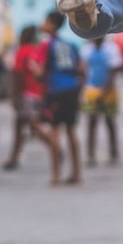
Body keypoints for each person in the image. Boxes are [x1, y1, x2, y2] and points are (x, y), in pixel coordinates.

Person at [39, 10, 83, 185]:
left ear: (52, 24)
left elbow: (40, 72)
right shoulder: (71, 45)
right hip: (72, 88)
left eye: (46, 21)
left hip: (56, 90)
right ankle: (76, 174)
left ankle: (56, 174)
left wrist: (38, 75)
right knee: (71, 130)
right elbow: (81, 69)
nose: (43, 24)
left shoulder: (46, 45)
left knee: (55, 131)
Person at [3, 25, 47, 170]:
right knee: (20, 125)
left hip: (27, 94)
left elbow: (18, 75)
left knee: (33, 124)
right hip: (37, 92)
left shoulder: (21, 52)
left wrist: (16, 95)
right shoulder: (36, 51)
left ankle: (56, 148)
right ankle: (13, 157)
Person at [82, 36, 123, 165]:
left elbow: (114, 72)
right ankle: (90, 154)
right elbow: (83, 70)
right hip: (91, 89)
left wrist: (104, 91)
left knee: (109, 121)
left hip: (109, 91)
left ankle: (113, 152)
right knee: (92, 121)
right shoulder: (87, 49)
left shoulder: (111, 49)